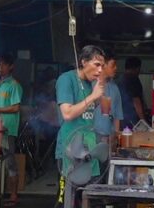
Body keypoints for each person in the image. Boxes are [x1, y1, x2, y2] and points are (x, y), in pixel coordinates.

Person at [56, 45, 107, 208]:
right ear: (83, 62)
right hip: (71, 149)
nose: (100, 70)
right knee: (69, 199)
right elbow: (67, 113)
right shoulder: (66, 79)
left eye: (102, 66)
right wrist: (93, 97)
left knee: (89, 196)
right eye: (96, 65)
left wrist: (98, 97)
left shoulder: (89, 83)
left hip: (89, 148)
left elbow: (90, 113)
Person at [0, 53, 22, 206]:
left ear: (11, 66)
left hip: (8, 129)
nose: (0, 68)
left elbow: (16, 107)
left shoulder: (14, 85)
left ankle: (13, 195)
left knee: (10, 162)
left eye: (3, 64)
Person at [94, 51, 124, 147]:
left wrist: (115, 136)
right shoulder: (90, 85)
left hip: (109, 138)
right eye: (113, 65)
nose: (116, 68)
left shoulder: (114, 87)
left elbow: (118, 116)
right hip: (92, 137)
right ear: (103, 65)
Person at [118, 56, 147, 127]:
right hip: (132, 119)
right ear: (137, 68)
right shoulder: (133, 79)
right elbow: (136, 101)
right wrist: (143, 120)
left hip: (122, 118)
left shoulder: (120, 79)